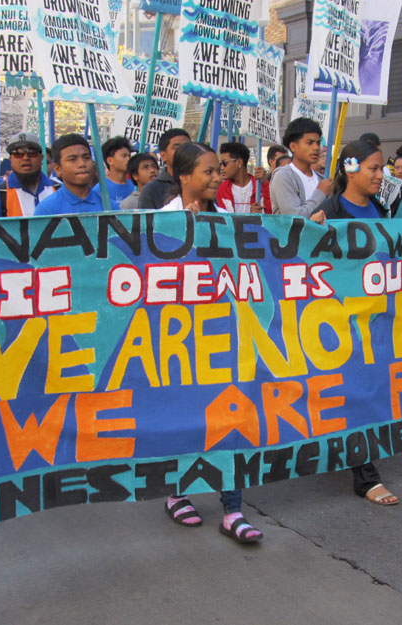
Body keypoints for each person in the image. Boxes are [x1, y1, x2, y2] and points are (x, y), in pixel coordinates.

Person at [159, 142, 264, 542]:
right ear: (183, 176)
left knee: (230, 418)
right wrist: (176, 237)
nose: (217, 177)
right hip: (176, 340)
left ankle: (233, 510)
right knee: (185, 417)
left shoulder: (224, 220)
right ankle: (177, 492)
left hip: (222, 336)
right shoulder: (158, 221)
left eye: (218, 170)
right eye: (208, 171)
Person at [310, 139, 402, 506]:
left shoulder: (381, 208)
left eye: (382, 168)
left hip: (376, 320)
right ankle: (365, 476)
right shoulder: (330, 209)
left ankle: (349, 456)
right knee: (358, 395)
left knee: (364, 394)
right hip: (339, 322)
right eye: (373, 168)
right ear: (351, 168)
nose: (380, 175)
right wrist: (311, 227)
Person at [0, 133, 58, 218]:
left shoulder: (58, 189)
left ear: (41, 158)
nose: (25, 158)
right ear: (11, 159)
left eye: (32, 153)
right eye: (18, 153)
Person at [270, 117, 331, 218]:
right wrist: (321, 193)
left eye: (318, 143)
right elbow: (296, 218)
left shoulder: (322, 179)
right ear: (293, 146)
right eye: (309, 143)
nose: (316, 148)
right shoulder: (283, 177)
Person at [34, 134, 99, 216]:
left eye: (86, 158)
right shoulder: (47, 210)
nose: (82, 164)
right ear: (58, 169)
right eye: (73, 159)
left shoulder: (109, 206)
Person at [136, 128, 190, 209]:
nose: (183, 151)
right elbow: (145, 221)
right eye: (177, 147)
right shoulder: (151, 190)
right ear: (163, 155)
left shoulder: (200, 184)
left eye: (187, 147)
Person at [88, 136, 135, 211]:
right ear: (110, 160)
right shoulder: (99, 190)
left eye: (129, 155)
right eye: (124, 156)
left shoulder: (135, 186)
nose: (128, 159)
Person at [217, 141, 262, 213]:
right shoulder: (222, 189)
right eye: (220, 164)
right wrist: (251, 217)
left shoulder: (260, 187)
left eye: (225, 163)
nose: (222, 168)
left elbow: (271, 215)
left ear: (239, 162)